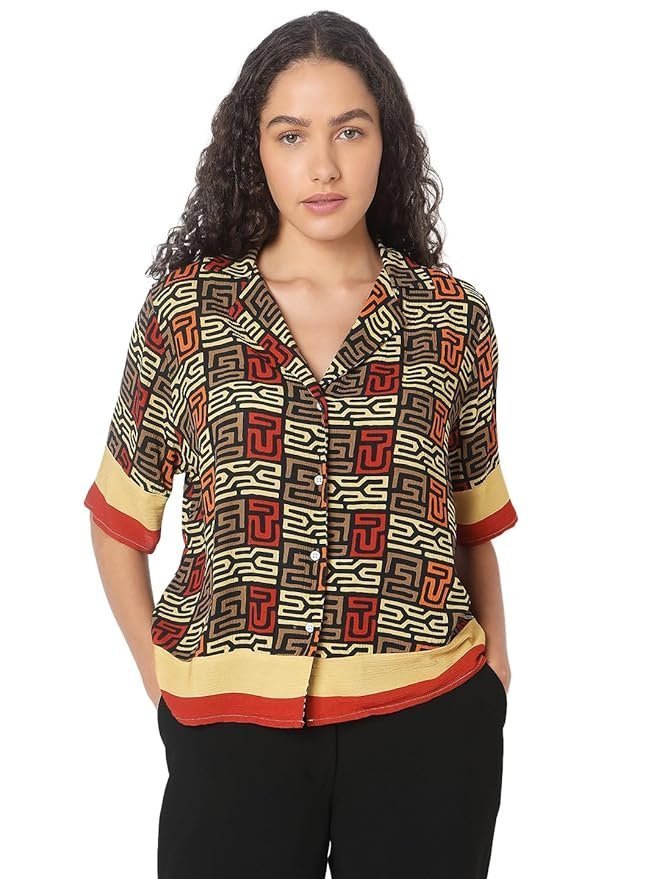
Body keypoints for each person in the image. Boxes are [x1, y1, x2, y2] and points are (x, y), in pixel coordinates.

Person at [84, 10, 518, 878]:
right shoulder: (186, 312)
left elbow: (472, 523)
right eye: (291, 135)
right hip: (228, 728)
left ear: (387, 141)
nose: (322, 165)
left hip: (428, 720)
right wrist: (159, 678)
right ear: (255, 150)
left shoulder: (450, 316)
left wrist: (493, 675)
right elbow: (118, 520)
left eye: (349, 131)